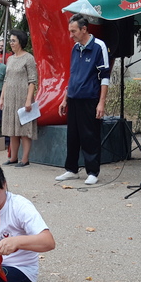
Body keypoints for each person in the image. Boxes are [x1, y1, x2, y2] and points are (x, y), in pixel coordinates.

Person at [57, 14, 110, 185]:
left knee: (90, 136)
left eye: (73, 31)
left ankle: (93, 171)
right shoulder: (75, 48)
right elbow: (72, 76)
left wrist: (101, 102)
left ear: (84, 29)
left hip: (90, 98)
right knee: (72, 136)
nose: (70, 35)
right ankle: (71, 169)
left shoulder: (98, 46)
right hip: (73, 98)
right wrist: (65, 99)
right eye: (70, 31)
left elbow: (105, 77)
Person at [0, 30, 38, 167]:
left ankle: (25, 159)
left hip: (23, 97)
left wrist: (29, 99)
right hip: (10, 98)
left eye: (13, 41)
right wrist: (2, 98)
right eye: (10, 41)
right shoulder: (10, 59)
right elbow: (6, 80)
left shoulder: (28, 58)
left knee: (24, 130)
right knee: (12, 130)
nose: (11, 43)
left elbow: (32, 80)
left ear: (20, 42)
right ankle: (13, 158)